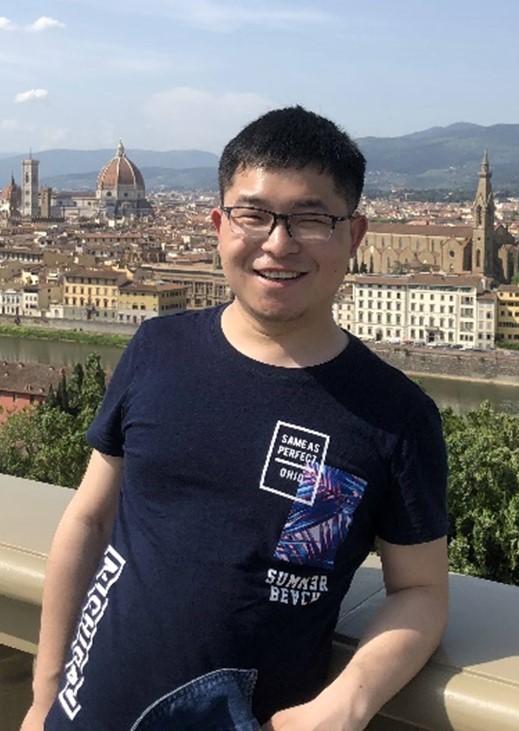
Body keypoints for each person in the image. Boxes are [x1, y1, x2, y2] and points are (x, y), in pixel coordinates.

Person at [22, 106, 448, 731]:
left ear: (355, 235)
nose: (278, 242)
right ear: (220, 225)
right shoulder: (156, 349)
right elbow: (89, 519)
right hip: (84, 713)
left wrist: (347, 702)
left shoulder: (397, 416)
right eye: (254, 215)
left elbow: (422, 591)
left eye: (311, 219)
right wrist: (45, 692)